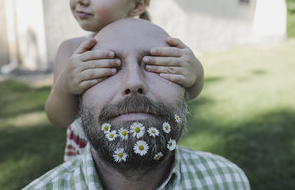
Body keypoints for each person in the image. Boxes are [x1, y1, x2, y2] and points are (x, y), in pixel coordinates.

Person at [25, 18, 250, 190]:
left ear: (185, 90)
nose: (133, 82)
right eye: (107, 67)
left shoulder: (231, 181)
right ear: (78, 99)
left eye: (154, 65)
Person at [45, 0, 204, 161]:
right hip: (89, 158)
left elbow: (185, 93)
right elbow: (58, 118)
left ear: (138, 4)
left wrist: (195, 74)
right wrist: (66, 85)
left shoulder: (154, 45)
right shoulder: (71, 51)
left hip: (144, 146)